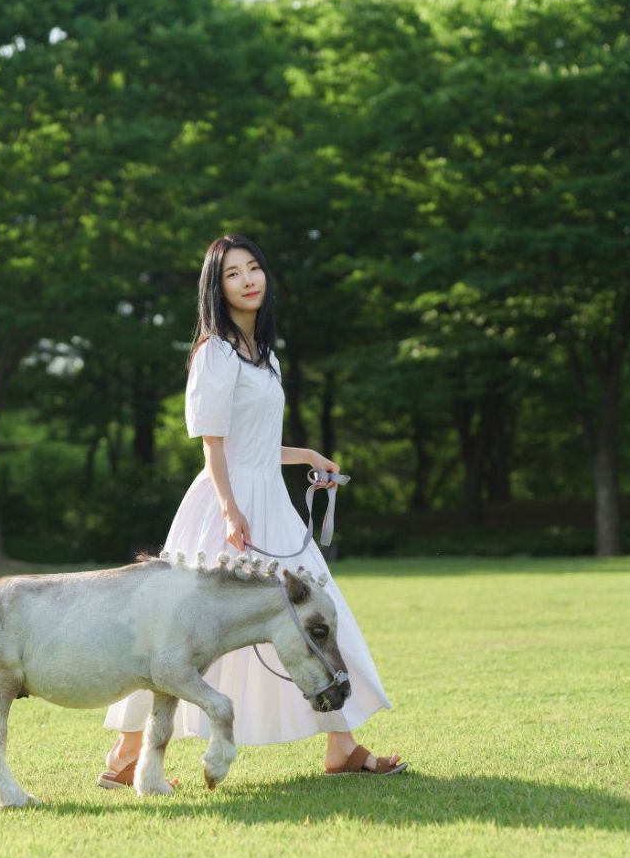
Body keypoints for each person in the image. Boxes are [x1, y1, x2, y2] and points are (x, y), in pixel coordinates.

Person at [97, 234, 406, 787]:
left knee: (317, 612)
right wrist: (229, 509)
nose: (247, 280)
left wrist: (305, 455)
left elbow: (256, 443)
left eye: (254, 268)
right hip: (226, 505)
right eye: (233, 273)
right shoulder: (214, 352)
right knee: (182, 628)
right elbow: (213, 443)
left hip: (270, 502)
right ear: (216, 288)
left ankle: (342, 745)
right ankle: (125, 754)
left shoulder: (266, 356)